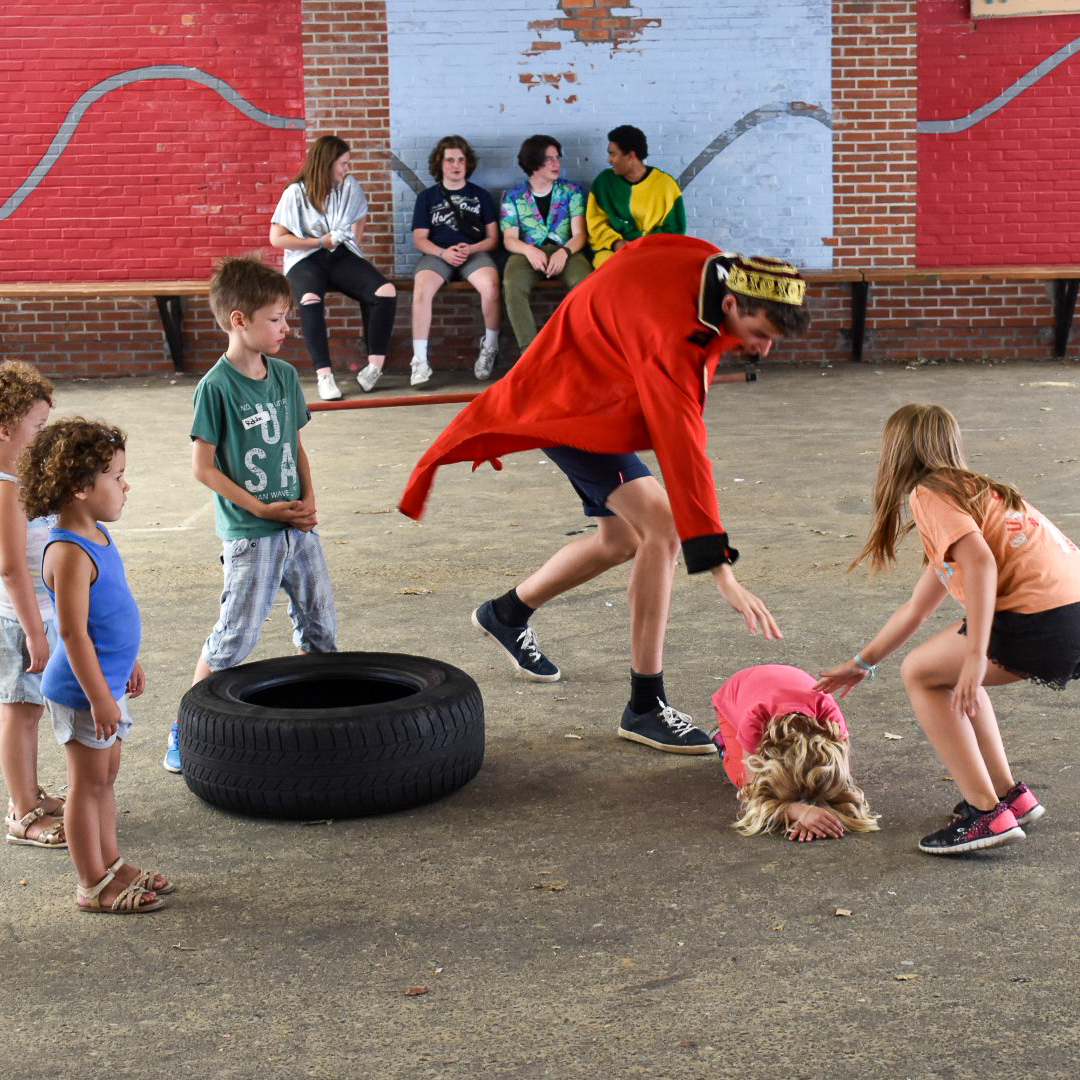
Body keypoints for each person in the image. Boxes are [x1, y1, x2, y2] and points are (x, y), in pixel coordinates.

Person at [399, 237, 810, 752]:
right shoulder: (672, 336)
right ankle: (644, 706)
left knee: (620, 540)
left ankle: (506, 614)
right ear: (731, 303)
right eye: (759, 334)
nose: (762, 350)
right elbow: (684, 453)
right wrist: (719, 569)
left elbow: (638, 249)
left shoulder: (712, 262)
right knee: (661, 525)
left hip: (598, 382)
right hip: (571, 403)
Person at [816, 404, 1079, 855]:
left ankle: (985, 815)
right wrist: (861, 664)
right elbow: (916, 608)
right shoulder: (974, 492)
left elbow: (981, 562)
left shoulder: (930, 494)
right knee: (938, 671)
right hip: (1066, 615)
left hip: (1043, 620)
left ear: (895, 452)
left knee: (920, 673)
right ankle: (1008, 798)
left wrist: (976, 656)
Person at [162, 256, 337, 774]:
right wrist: (260, 507)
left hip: (296, 529)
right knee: (234, 637)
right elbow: (202, 467)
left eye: (286, 317)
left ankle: (320, 720)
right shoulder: (215, 387)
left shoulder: (283, 375)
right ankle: (186, 729)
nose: (287, 328)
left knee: (320, 627)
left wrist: (309, 502)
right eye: (276, 319)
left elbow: (294, 444)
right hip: (251, 533)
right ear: (239, 320)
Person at [21, 419, 168, 912]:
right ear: (81, 487)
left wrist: (129, 662)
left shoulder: (97, 532)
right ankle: (91, 884)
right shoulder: (66, 550)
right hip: (83, 691)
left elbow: (109, 613)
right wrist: (100, 696)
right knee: (85, 787)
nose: (126, 486)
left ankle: (112, 865)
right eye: (117, 477)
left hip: (106, 683)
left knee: (106, 779)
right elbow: (71, 633)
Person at [270, 134, 397, 399]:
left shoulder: (348, 186)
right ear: (327, 163)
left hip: (339, 255)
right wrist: (319, 241)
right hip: (304, 258)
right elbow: (277, 238)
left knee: (385, 292)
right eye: (343, 163)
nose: (347, 169)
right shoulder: (296, 193)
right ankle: (324, 375)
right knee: (309, 298)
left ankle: (374, 367)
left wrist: (353, 243)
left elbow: (360, 213)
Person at [0, 362, 65, 849]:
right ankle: (22, 811)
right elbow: (9, 567)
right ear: (6, 428)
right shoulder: (6, 487)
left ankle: (29, 792)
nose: (44, 436)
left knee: (32, 709)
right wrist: (34, 631)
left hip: (41, 616)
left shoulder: (20, 478)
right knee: (20, 712)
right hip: (19, 622)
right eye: (38, 427)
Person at [710, 664, 879, 841]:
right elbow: (751, 795)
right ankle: (723, 741)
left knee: (827, 786)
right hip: (734, 696)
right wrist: (794, 811)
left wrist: (814, 813)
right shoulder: (755, 720)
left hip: (775, 687)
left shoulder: (832, 721)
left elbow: (844, 783)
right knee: (742, 780)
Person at [409, 135, 501, 386]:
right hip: (438, 254)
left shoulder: (480, 195)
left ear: (467, 163)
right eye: (449, 160)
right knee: (421, 290)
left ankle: (489, 348)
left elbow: (493, 239)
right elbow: (419, 239)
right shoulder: (427, 198)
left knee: (492, 285)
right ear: (440, 164)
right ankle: (420, 361)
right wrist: (442, 253)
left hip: (474, 252)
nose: (456, 165)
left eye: (460, 160)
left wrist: (471, 248)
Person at [500, 135, 591, 350]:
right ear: (533, 162)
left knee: (585, 284)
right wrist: (528, 250)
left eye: (557, 158)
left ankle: (578, 348)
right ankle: (530, 354)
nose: (556, 163)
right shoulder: (513, 196)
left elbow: (580, 235)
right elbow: (509, 239)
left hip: (567, 252)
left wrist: (564, 252)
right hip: (527, 252)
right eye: (549, 159)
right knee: (512, 285)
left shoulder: (572, 191)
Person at [586, 125, 685, 270]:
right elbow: (595, 223)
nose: (608, 160)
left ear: (631, 156)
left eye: (613, 154)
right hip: (611, 249)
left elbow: (675, 230)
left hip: (654, 250)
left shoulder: (666, 185)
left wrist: (642, 245)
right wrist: (616, 243)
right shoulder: (603, 182)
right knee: (610, 267)